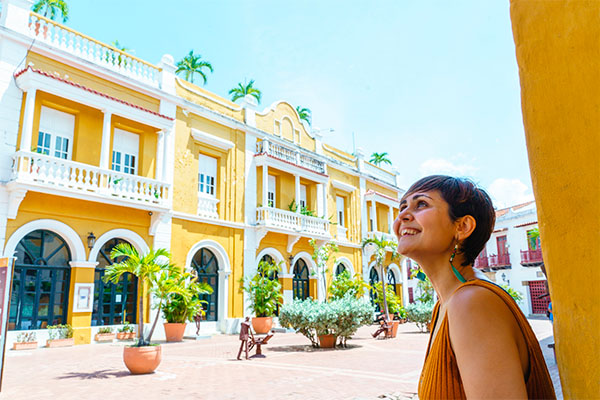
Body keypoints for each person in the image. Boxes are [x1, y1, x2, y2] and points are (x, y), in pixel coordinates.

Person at [393, 175, 555, 399]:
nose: (402, 215)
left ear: (462, 226)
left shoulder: (472, 302)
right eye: (402, 206)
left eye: (421, 204)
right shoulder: (445, 305)